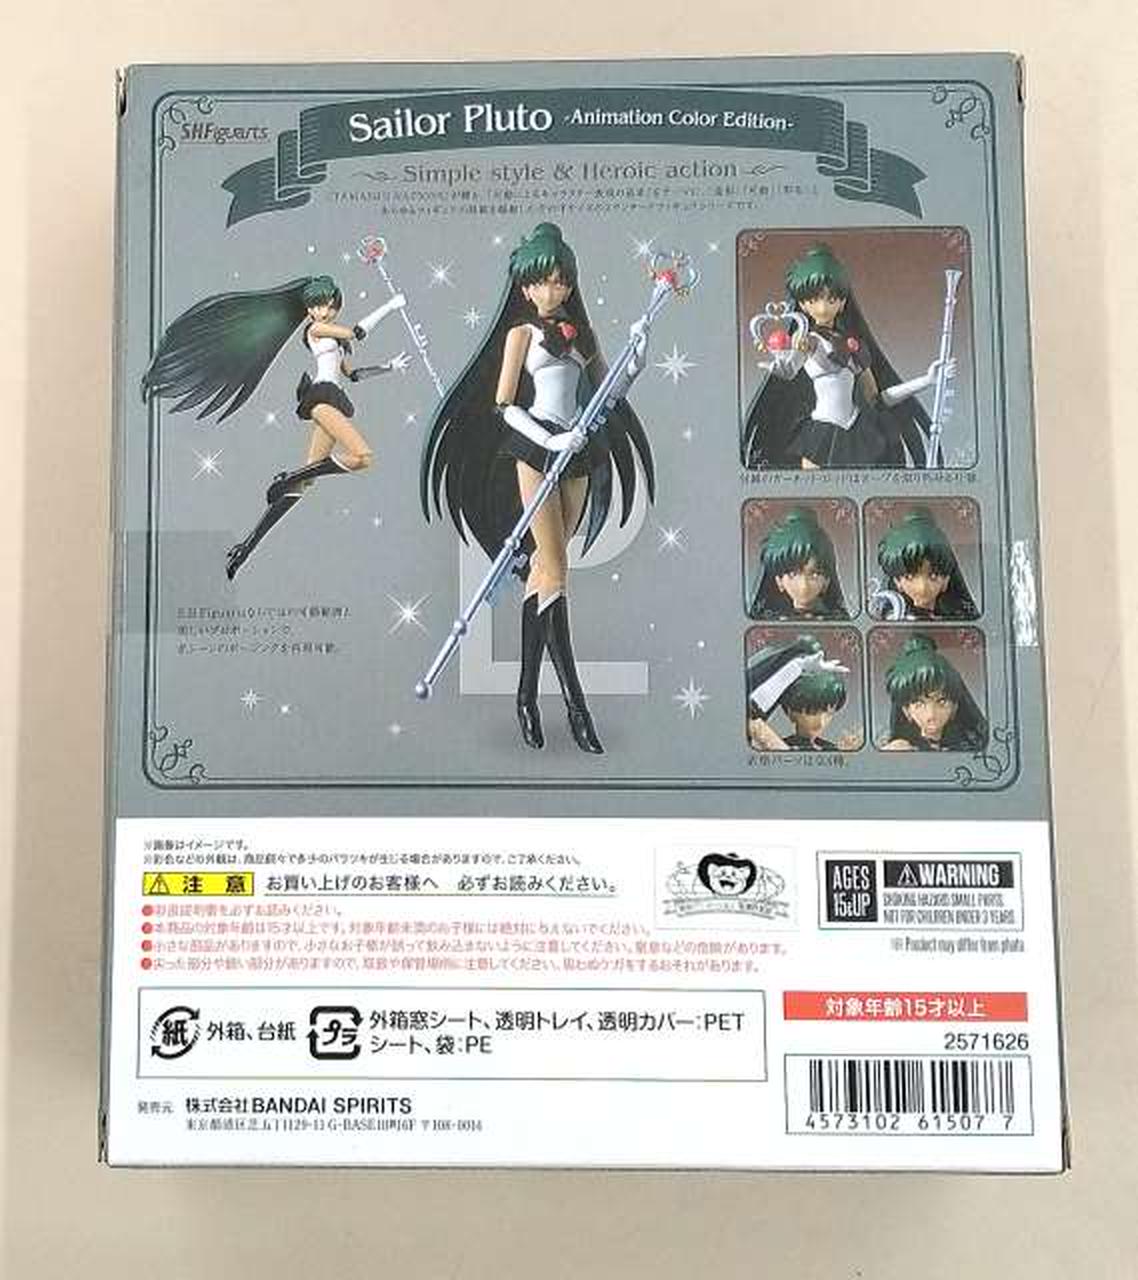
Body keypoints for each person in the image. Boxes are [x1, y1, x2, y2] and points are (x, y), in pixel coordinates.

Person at [421, 223, 654, 753]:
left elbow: (608, 393)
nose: (554, 289)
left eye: (561, 280)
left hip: (578, 449)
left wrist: (637, 357)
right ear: (526, 287)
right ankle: (577, 707)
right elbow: (504, 405)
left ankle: (526, 696)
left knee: (544, 575)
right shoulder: (520, 335)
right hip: (537, 446)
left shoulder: (579, 334)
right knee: (556, 571)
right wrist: (552, 438)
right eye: (544, 281)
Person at [141, 274, 407, 578]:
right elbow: (358, 332)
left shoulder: (336, 340)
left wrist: (388, 367)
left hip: (333, 400)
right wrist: (390, 306)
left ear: (334, 304)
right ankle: (289, 477)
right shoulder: (316, 330)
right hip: (321, 401)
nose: (317, 311)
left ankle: (245, 548)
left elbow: (354, 375)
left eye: (322, 305)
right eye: (313, 307)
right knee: (362, 457)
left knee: (303, 486)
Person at [742, 243, 953, 469]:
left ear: (842, 302)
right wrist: (778, 358)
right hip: (821, 434)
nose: (822, 308)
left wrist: (926, 380)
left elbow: (877, 400)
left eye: (831, 299)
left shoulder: (855, 346)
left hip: (856, 433)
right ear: (803, 304)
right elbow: (789, 370)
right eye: (813, 300)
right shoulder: (809, 341)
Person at [745, 634, 860, 751]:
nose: (821, 722)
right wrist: (797, 666)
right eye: (812, 712)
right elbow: (750, 713)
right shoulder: (775, 744)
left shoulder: (829, 748)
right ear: (790, 713)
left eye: (829, 713)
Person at [881, 633, 988, 751]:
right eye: (919, 704)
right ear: (907, 711)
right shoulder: (900, 749)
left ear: (954, 707)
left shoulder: (970, 746)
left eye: (942, 702)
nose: (931, 715)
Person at [873, 507, 979, 619]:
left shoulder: (959, 616)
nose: (922, 587)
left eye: (933, 576)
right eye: (910, 577)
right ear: (897, 582)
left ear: (946, 580)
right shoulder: (893, 614)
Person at [748, 506, 850, 620]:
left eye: (814, 574)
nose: (804, 586)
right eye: (793, 574)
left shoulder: (836, 619)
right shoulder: (770, 619)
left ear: (826, 581)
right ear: (779, 581)